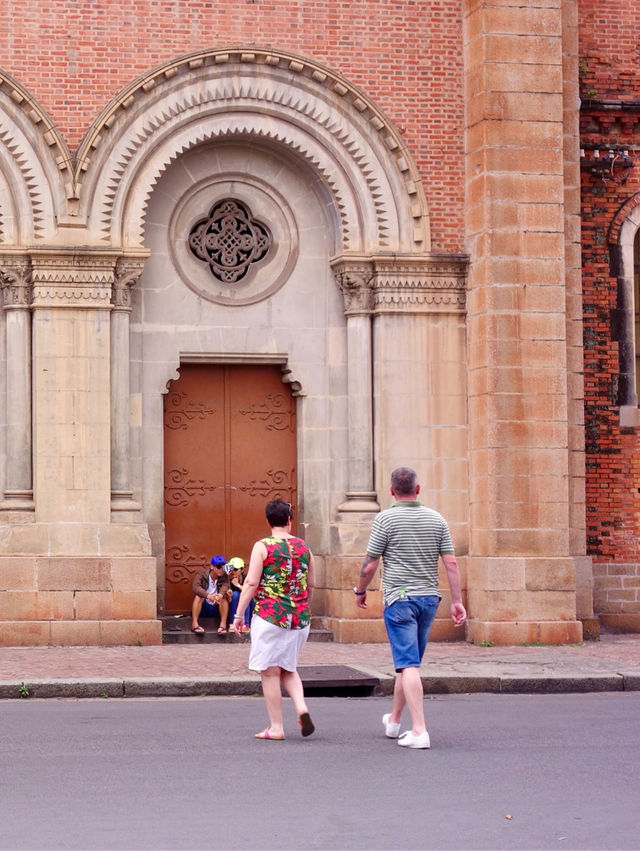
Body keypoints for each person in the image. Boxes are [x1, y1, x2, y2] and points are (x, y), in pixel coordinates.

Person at [354, 466, 466, 749]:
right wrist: (456, 600)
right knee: (407, 664)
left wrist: (360, 590)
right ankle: (393, 721)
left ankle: (419, 731)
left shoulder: (385, 520)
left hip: (400, 599)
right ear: (418, 489)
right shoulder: (437, 519)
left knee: (409, 664)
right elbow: (451, 563)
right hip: (429, 598)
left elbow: (370, 563)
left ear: (392, 491)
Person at [232, 499, 316, 740]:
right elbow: (311, 584)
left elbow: (250, 583)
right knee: (288, 668)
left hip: (270, 615)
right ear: (289, 520)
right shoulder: (304, 548)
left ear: (269, 521)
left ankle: (276, 727)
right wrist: (302, 607)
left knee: (269, 672)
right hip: (299, 618)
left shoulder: (263, 547)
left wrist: (239, 615)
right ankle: (301, 709)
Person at [191, 554, 232, 634]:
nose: (221, 570)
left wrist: (219, 595)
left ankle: (223, 625)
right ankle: (194, 624)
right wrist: (208, 596)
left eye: (223, 567)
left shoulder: (224, 576)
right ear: (212, 566)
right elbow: (195, 587)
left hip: (218, 606)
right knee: (199, 596)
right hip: (204, 607)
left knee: (223, 597)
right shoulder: (201, 574)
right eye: (219, 567)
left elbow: (225, 586)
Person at [227, 557, 253, 633]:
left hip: (250, 603)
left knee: (244, 595)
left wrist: (237, 585)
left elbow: (250, 592)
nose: (232, 572)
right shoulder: (227, 579)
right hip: (233, 604)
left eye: (235, 569)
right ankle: (232, 623)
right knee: (235, 594)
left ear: (242, 570)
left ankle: (245, 624)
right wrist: (229, 594)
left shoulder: (247, 578)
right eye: (231, 569)